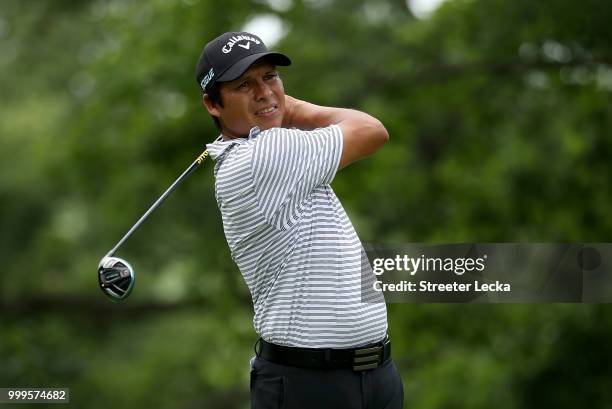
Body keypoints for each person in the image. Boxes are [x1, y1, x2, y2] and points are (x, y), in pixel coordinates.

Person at [195, 31, 404, 409]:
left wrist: (271, 110)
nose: (263, 92)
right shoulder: (263, 157)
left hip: (374, 376)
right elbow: (372, 130)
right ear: (213, 104)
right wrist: (292, 108)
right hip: (311, 386)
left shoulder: (272, 148)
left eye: (270, 77)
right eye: (245, 84)